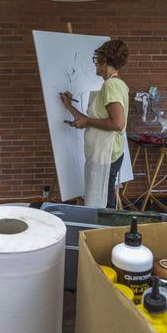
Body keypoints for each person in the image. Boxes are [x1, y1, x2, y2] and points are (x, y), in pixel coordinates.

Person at [61, 39, 129, 209]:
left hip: (106, 155)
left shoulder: (111, 86)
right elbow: (94, 120)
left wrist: (88, 121)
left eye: (96, 60)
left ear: (105, 61)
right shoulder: (116, 84)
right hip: (105, 153)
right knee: (103, 200)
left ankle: (107, 234)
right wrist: (69, 106)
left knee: (104, 206)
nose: (95, 65)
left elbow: (118, 123)